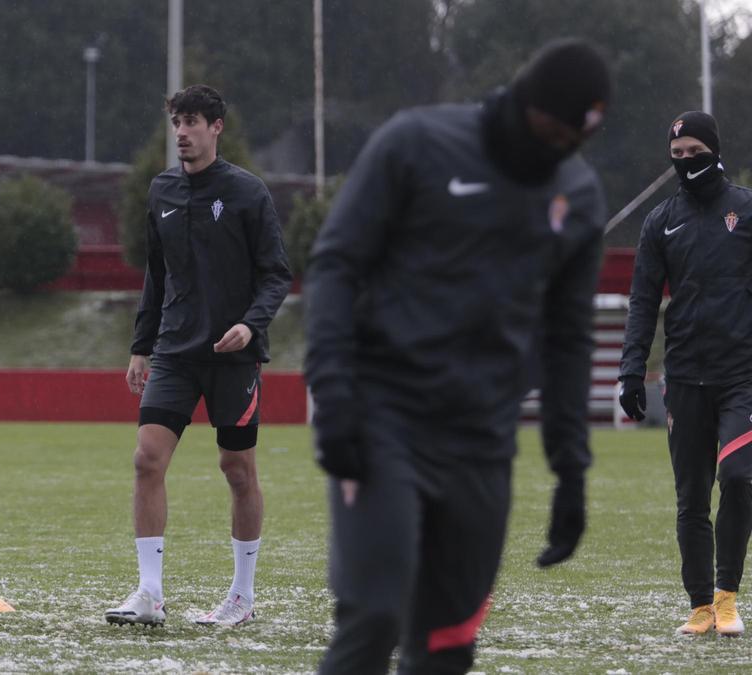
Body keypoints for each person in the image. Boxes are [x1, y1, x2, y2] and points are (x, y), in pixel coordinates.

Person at [304, 39, 610, 673]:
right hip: (383, 415)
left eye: (571, 142)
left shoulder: (576, 196)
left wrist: (571, 467)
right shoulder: (416, 143)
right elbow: (336, 264)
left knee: (448, 647)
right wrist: (332, 394)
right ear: (524, 103)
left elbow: (568, 338)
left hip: (481, 440)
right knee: (375, 615)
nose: (554, 151)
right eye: (549, 131)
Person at [103, 85, 292, 628]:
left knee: (237, 469)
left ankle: (242, 597)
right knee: (147, 459)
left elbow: (276, 274)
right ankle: (150, 593)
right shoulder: (161, 190)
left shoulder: (248, 193)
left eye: (192, 122)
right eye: (176, 122)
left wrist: (248, 325)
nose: (181, 132)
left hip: (233, 357)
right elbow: (156, 276)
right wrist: (142, 345)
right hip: (174, 353)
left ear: (216, 128)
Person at [618, 111, 752, 637]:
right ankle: (699, 607)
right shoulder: (660, 222)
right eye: (676, 157)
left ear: (714, 151)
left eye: (693, 153)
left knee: (740, 479)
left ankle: (727, 597)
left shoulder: (746, 210)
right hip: (684, 377)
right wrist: (631, 371)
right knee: (691, 498)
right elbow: (643, 301)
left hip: (741, 374)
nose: (685, 164)